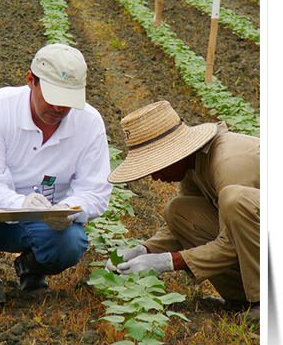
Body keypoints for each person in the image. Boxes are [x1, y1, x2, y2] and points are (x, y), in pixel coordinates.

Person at [0, 43, 112, 301]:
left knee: (70, 242)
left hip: (42, 223)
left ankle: (32, 268)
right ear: (31, 80)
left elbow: (96, 191)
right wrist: (20, 203)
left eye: (68, 101)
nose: (59, 109)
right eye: (54, 98)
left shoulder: (89, 123)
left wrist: (69, 209)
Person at [106, 100, 260, 321]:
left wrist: (168, 261)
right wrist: (144, 250)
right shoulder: (194, 164)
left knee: (233, 200)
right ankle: (243, 300)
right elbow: (182, 226)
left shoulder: (228, 164)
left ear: (174, 152)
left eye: (156, 167)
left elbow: (230, 243)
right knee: (178, 211)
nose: (155, 177)